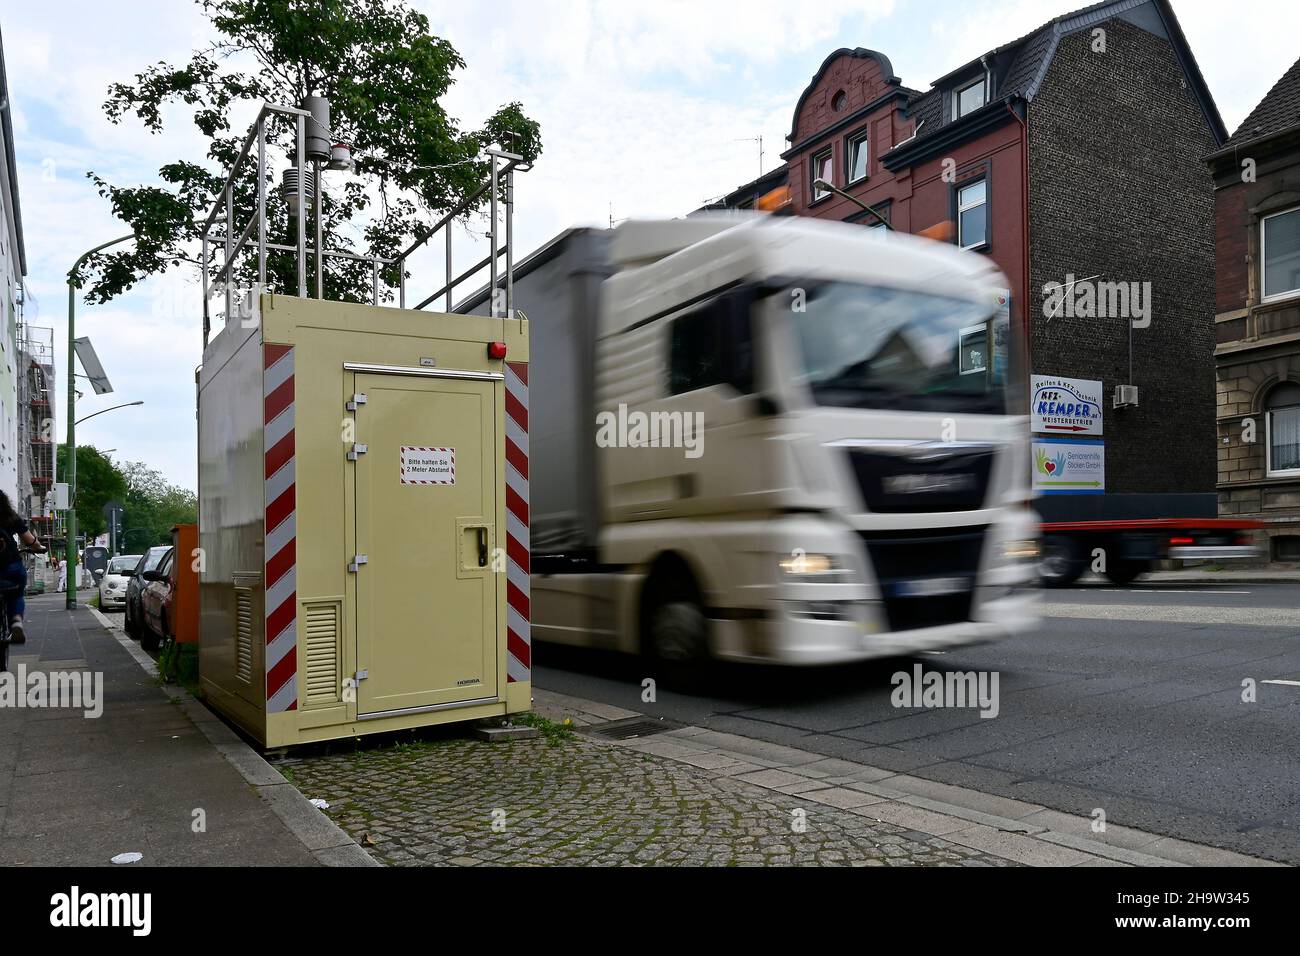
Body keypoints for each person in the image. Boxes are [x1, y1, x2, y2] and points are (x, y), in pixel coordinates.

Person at [0, 491, 47, 643]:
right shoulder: (10, 517)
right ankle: (16, 621)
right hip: (10, 566)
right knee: (17, 591)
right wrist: (38, 547)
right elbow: (29, 540)